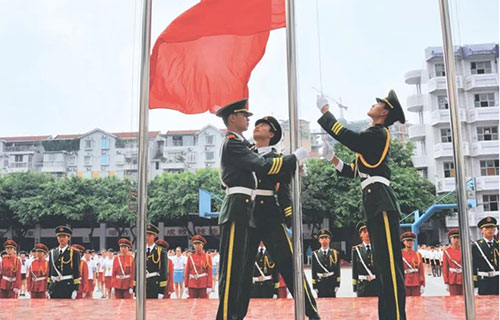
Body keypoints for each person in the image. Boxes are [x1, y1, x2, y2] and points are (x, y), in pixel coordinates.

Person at [215, 99, 308, 320]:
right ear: (232, 118)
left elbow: (281, 187)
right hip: (239, 208)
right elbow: (264, 166)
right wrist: (294, 158)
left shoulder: (243, 145)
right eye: (244, 116)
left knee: (242, 271)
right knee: (233, 271)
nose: (249, 120)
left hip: (250, 211)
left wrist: (293, 168)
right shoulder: (234, 143)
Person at [317, 91, 406, 320]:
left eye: (378, 104)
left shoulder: (378, 133)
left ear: (384, 112)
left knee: (390, 267)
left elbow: (350, 138)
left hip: (382, 202)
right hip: (373, 202)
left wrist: (326, 113)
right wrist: (331, 158)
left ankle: (396, 316)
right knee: (383, 268)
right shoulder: (372, 139)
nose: (373, 105)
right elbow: (352, 171)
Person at [247, 115, 320, 318]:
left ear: (271, 134)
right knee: (242, 270)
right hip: (248, 215)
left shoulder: (278, 159)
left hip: (270, 215)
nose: (257, 127)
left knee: (290, 267)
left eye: (263, 126)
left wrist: (292, 221)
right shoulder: (246, 154)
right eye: (256, 125)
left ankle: (312, 313)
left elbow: (284, 195)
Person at [47, 226, 81, 299]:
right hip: (54, 287)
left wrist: (75, 289)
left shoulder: (74, 252)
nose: (61, 239)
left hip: (67, 286)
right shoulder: (52, 252)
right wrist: (48, 286)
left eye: (64, 236)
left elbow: (76, 270)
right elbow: (50, 270)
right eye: (59, 236)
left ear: (69, 238)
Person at [472, 216, 499, 295]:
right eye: (486, 228)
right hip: (484, 281)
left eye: (491, 227)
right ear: (481, 230)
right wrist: (475, 283)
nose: (490, 230)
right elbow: (473, 265)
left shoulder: (498, 244)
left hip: (497, 280)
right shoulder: (476, 246)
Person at [351, 222, 378, 297]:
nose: (367, 234)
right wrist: (354, 287)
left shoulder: (378, 249)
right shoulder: (356, 250)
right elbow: (354, 269)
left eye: (369, 231)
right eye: (364, 232)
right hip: (362, 285)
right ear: (360, 235)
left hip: (376, 284)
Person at [311, 229, 340, 298]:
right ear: (319, 240)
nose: (324, 240)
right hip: (320, 283)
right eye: (322, 238)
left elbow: (337, 270)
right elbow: (313, 271)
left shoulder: (335, 253)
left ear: (329, 240)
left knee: (332, 306)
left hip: (331, 282)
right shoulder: (315, 254)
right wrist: (314, 285)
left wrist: (337, 284)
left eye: (326, 238)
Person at [145, 224, 168, 299]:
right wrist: (135, 288)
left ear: (155, 236)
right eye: (146, 235)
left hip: (154, 284)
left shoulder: (161, 252)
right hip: (142, 284)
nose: (147, 237)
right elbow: (136, 271)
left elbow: (163, 272)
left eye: (150, 235)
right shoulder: (139, 251)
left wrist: (161, 291)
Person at [400, 232, 425, 296]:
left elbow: (421, 270)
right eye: (407, 240)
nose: (409, 242)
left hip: (416, 282)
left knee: (417, 303)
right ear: (404, 242)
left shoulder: (418, 254)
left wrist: (422, 283)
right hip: (405, 282)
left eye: (411, 240)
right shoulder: (400, 255)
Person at [442, 229, 463, 296]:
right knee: (453, 300)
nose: (456, 240)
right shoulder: (447, 251)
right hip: (452, 278)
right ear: (450, 239)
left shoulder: (464, 250)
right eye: (454, 238)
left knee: (464, 299)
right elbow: (445, 267)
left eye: (458, 238)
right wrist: (446, 282)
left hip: (463, 278)